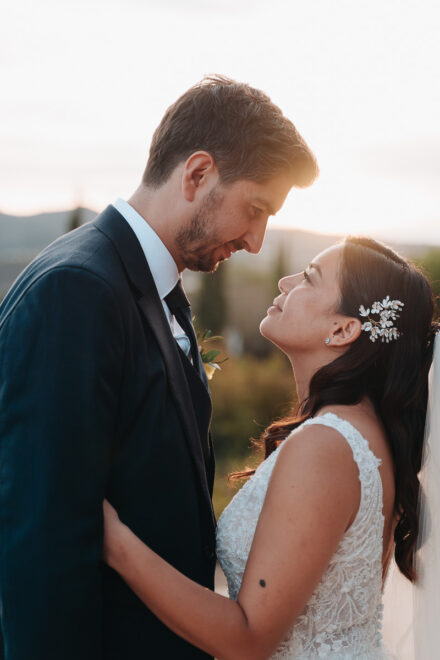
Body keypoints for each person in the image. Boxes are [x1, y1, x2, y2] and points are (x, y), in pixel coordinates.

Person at [0, 76, 317, 660]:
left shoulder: (150, 285)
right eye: (255, 209)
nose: (255, 240)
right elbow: (43, 548)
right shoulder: (79, 291)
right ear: (197, 174)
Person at [102, 236, 438, 659]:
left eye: (309, 278)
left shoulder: (326, 444)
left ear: (342, 329)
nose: (284, 281)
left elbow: (249, 640)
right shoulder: (363, 430)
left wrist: (113, 541)